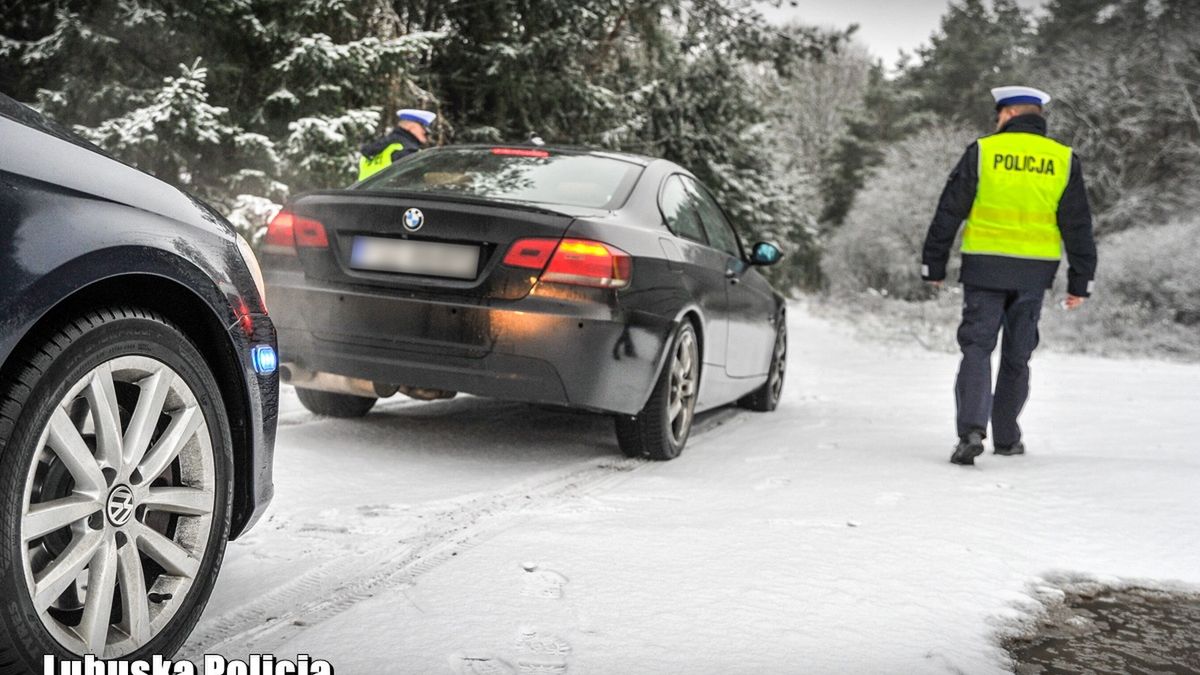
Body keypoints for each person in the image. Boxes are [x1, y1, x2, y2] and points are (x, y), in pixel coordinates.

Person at [920, 85, 1098, 466]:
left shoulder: (984, 151)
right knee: (1018, 355)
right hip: (1035, 273)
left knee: (977, 348)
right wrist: (1081, 280)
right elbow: (1079, 225)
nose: (996, 121)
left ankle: (970, 432)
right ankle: (1006, 438)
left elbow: (949, 210)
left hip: (984, 268)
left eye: (999, 115)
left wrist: (933, 264)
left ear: (1011, 114)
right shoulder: (1064, 159)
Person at [357, 108, 437, 181]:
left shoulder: (379, 147)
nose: (426, 132)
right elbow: (415, 181)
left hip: (363, 195)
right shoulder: (405, 149)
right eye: (423, 128)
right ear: (411, 127)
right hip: (391, 196)